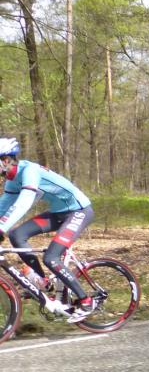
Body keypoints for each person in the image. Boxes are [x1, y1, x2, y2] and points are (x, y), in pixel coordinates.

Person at [0, 137, 97, 322]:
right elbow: (3, 206)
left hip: (79, 211)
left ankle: (86, 300)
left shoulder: (30, 171)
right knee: (17, 235)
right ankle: (42, 282)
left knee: (51, 257)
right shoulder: (12, 180)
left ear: (5, 160)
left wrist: (1, 227)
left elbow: (24, 202)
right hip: (58, 213)